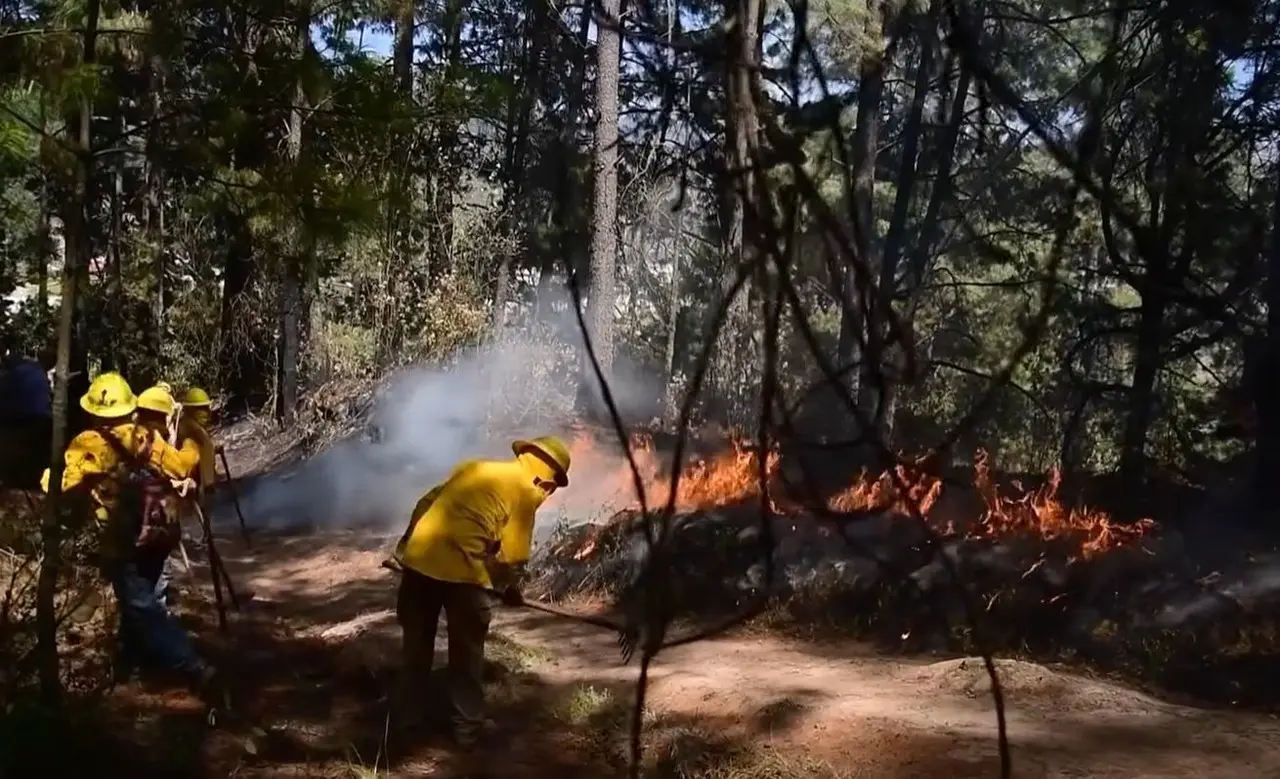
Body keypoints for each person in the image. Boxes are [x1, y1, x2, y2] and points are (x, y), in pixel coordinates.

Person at [41, 372, 222, 705]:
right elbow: (182, 466)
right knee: (136, 603)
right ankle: (129, 668)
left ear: (93, 410)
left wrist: (47, 481)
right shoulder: (144, 437)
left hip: (122, 539)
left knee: (141, 607)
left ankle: (192, 666)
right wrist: (195, 442)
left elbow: (60, 485)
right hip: (157, 533)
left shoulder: (86, 444)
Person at [389, 435, 571, 747]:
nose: (549, 494)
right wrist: (510, 587)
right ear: (546, 480)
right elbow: (512, 556)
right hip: (464, 573)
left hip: (419, 564)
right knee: (467, 653)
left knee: (415, 649)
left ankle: (407, 722)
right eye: (553, 487)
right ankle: (467, 729)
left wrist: (405, 548)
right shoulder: (526, 492)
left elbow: (425, 503)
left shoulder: (475, 468)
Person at [135, 383, 201, 608]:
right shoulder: (153, 440)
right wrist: (192, 444)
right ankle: (158, 628)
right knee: (157, 579)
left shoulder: (127, 434)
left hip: (124, 528)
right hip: (152, 527)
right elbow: (181, 466)